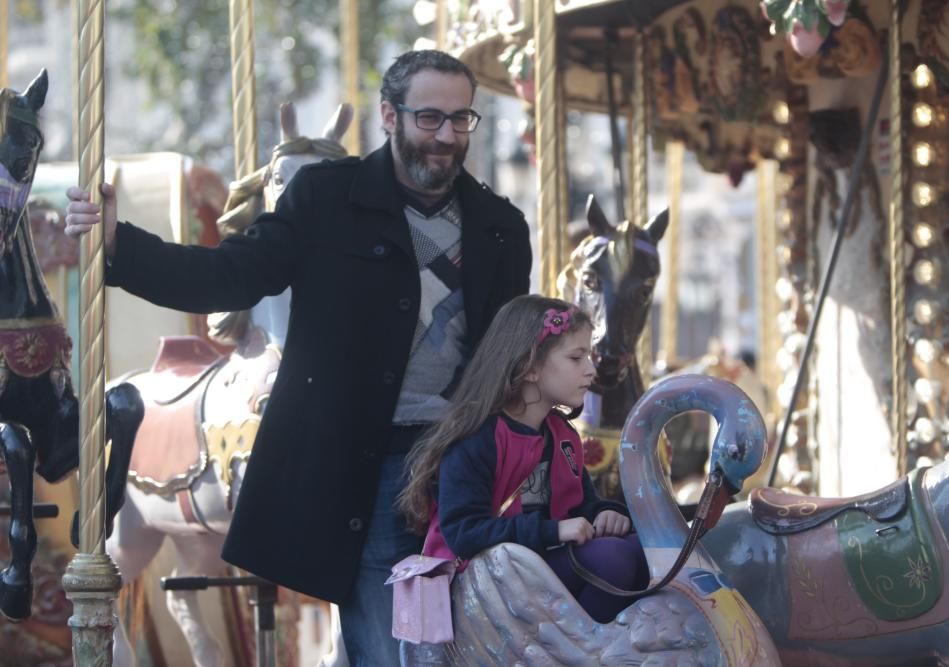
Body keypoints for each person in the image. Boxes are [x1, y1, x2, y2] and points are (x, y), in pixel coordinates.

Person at [64, 49, 532, 665]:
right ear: (389, 116)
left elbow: (508, 353)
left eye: (460, 120)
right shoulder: (326, 199)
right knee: (390, 642)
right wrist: (122, 245)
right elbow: (232, 274)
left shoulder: (500, 226)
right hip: (378, 457)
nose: (446, 137)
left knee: (470, 639)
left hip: (466, 464)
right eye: (429, 118)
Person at [398, 295, 649, 635]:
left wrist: (604, 514)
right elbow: (463, 533)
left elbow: (580, 505)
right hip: (483, 579)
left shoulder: (562, 436)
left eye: (587, 356)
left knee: (645, 552)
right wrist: (554, 530)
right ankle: (582, 652)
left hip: (540, 564)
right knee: (612, 561)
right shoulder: (476, 440)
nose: (590, 368)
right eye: (576, 357)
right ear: (529, 366)